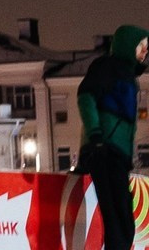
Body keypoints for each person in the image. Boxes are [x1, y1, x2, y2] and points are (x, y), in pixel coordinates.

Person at [77, 23, 149, 250]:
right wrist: (96, 136)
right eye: (141, 47)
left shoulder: (128, 76)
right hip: (104, 151)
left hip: (116, 156)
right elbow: (86, 96)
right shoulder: (107, 67)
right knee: (118, 221)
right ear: (128, 46)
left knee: (124, 222)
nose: (145, 52)